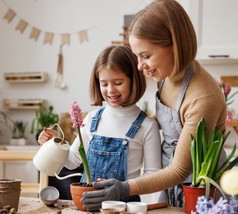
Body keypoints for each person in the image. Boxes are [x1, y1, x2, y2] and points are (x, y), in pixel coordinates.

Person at [81, 0, 227, 211]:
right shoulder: (166, 75)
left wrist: (124, 188)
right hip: (170, 186)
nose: (139, 66)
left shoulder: (203, 97)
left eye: (146, 56)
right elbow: (172, 121)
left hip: (199, 192)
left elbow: (179, 170)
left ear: (174, 46)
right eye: (137, 56)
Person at [38, 45, 162, 202]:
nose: (110, 90)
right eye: (104, 84)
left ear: (134, 80)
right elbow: (72, 161)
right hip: (87, 205)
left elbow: (153, 176)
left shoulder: (147, 126)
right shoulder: (92, 118)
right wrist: (53, 144)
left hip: (123, 208)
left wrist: (123, 188)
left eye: (118, 82)